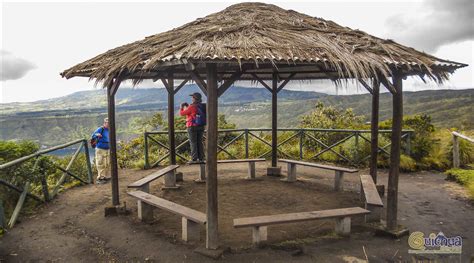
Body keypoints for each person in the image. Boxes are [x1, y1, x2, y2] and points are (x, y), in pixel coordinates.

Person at [180, 92, 206, 163]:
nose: (192, 98)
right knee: (199, 142)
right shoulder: (203, 106)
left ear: (194, 98)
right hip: (201, 126)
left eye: (192, 97)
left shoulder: (192, 107)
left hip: (192, 127)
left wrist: (182, 107)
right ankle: (201, 158)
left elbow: (182, 113)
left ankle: (194, 159)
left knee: (193, 143)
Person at [91, 118, 110, 184]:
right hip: (100, 149)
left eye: (109, 123)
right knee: (100, 163)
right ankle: (100, 178)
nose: (108, 124)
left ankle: (104, 176)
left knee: (107, 163)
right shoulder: (100, 129)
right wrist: (97, 135)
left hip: (107, 149)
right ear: (104, 123)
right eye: (107, 123)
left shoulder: (109, 130)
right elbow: (93, 135)